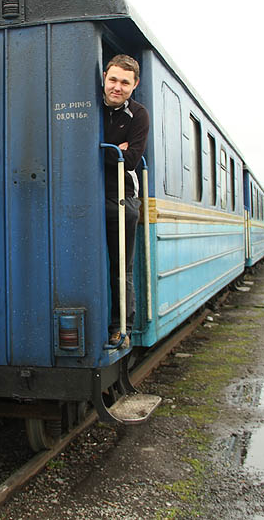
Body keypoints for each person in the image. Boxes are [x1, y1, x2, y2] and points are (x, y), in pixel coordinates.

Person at [102, 54, 149, 345]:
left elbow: (130, 160)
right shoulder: (89, 104)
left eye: (125, 83)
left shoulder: (139, 114)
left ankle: (122, 326)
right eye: (113, 80)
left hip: (122, 196)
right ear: (104, 77)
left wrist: (99, 150)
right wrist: (113, 149)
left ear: (135, 85)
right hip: (87, 195)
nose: (117, 87)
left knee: (121, 267)